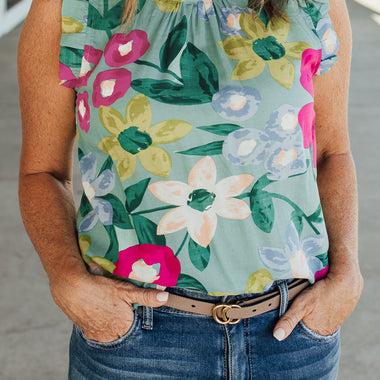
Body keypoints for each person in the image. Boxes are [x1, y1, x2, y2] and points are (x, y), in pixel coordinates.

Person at [18, 0, 363, 378]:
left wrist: (347, 275)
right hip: (135, 342)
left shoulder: (312, 4)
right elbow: (42, 171)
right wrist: (67, 278)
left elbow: (333, 153)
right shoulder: (74, 6)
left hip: (292, 337)